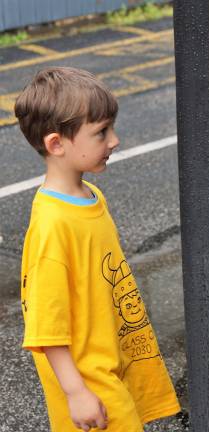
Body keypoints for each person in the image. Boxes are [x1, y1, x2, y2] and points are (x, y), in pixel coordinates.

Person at [14, 67, 180, 432]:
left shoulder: (91, 198)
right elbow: (46, 326)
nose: (115, 140)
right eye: (101, 132)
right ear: (57, 144)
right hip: (91, 382)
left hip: (113, 361)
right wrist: (76, 392)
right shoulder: (52, 226)